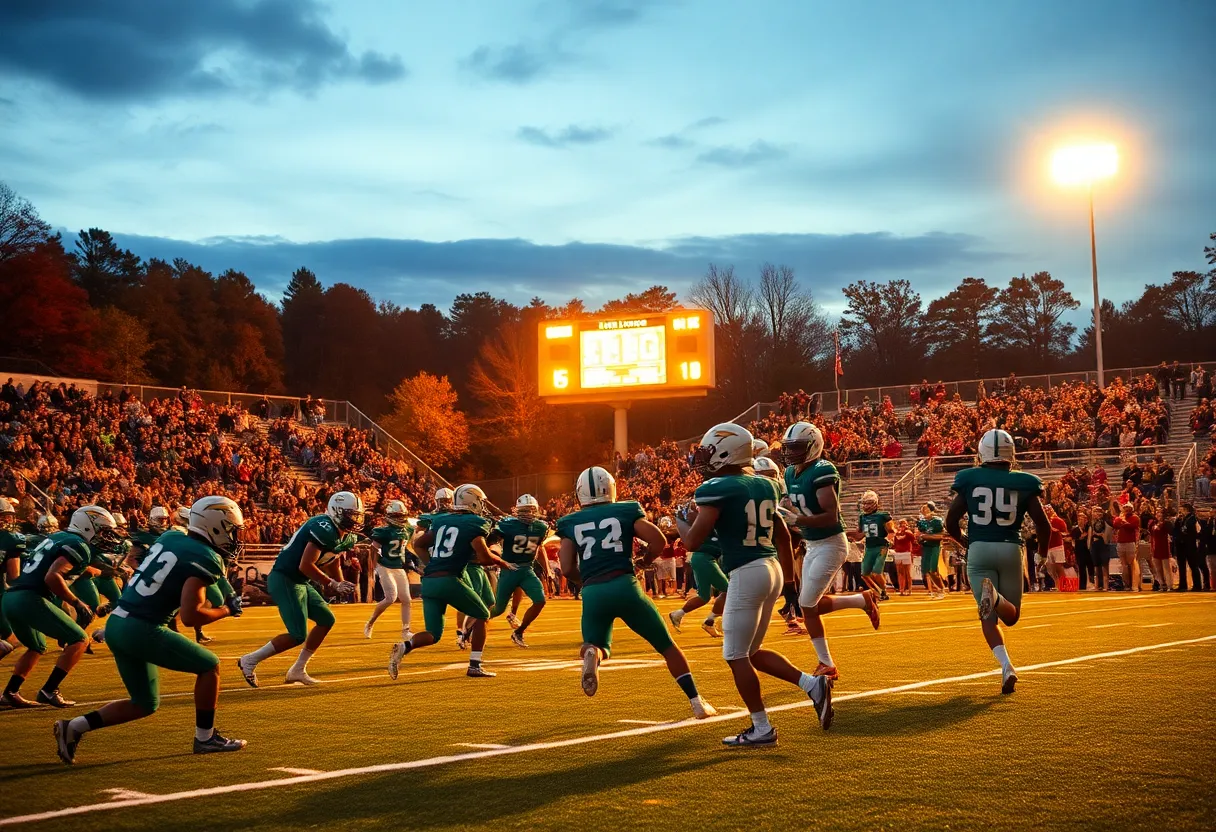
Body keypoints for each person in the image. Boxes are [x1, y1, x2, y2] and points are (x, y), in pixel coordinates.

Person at [52, 496, 248, 764]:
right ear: (215, 526)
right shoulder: (205, 557)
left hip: (119, 623)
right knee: (209, 665)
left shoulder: (170, 537)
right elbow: (191, 617)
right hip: (142, 627)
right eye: (231, 529)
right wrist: (226, 609)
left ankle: (73, 727)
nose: (234, 536)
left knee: (144, 703)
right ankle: (205, 737)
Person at [681, 424, 829, 747]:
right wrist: (790, 583)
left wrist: (682, 521)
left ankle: (761, 727)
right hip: (772, 567)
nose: (705, 460)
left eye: (709, 453)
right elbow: (784, 535)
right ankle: (812, 685)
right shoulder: (765, 485)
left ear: (726, 452)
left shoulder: (718, 487)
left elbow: (693, 541)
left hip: (747, 572)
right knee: (752, 652)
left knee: (735, 655)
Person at [562, 466, 717, 722]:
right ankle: (696, 702)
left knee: (595, 644)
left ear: (580, 493)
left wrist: (587, 581)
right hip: (625, 585)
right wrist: (644, 560)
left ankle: (594, 655)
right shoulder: (625, 510)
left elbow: (567, 567)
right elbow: (658, 541)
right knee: (667, 647)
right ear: (610, 488)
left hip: (593, 593)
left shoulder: (569, 522)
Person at [946, 429, 1050, 695]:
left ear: (982, 453)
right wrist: (1042, 553)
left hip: (979, 550)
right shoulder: (1025, 481)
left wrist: (966, 541)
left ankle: (1007, 666)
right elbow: (1043, 524)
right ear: (1010, 453)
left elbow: (951, 521)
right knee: (1011, 616)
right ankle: (1007, 669)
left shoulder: (970, 478)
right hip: (1010, 549)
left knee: (987, 618)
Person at [778, 422, 879, 682]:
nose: (791, 453)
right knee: (808, 605)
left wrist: (796, 520)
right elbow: (797, 507)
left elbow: (830, 515)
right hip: (812, 544)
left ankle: (827, 664)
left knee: (806, 604)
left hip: (831, 543)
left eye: (797, 448)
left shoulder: (823, 470)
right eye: (789, 448)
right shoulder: (790, 472)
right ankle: (862, 600)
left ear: (814, 446)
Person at [389, 485, 517, 679]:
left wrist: (430, 564)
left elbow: (419, 544)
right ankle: (475, 665)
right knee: (482, 613)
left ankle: (405, 646)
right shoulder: (474, 522)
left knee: (433, 634)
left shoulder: (441, 519)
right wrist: (501, 561)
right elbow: (483, 557)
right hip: (449, 579)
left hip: (430, 582)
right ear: (472, 501)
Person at [237, 492, 363, 687]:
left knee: (326, 619)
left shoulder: (345, 536)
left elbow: (333, 559)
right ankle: (249, 660)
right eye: (350, 514)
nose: (354, 519)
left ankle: (297, 669)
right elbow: (305, 565)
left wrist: (340, 583)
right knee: (297, 634)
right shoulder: (324, 526)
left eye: (356, 514)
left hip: (300, 581)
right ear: (337, 511)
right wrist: (331, 583)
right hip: (285, 578)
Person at [1, 506, 123, 708]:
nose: (105, 537)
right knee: (80, 640)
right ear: (87, 527)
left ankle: (10, 693)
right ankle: (49, 690)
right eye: (102, 531)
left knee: (37, 646)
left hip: (11, 597)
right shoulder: (79, 545)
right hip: (30, 598)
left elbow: (65, 569)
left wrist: (100, 572)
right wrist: (77, 601)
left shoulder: (59, 537)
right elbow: (52, 576)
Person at [489, 494, 550, 648]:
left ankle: (519, 632)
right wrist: (498, 559)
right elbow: (489, 542)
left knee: (540, 600)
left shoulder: (541, 527)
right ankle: (468, 629)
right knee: (497, 609)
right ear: (517, 511)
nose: (528, 514)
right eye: (524, 511)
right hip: (509, 569)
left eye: (531, 510)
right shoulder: (507, 524)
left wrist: (546, 569)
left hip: (526, 569)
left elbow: (537, 547)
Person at [363, 500, 414, 641]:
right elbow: (373, 550)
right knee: (391, 597)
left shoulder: (408, 530)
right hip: (385, 565)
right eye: (397, 516)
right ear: (390, 516)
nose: (400, 519)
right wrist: (372, 571)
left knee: (406, 600)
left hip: (398, 566)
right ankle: (370, 623)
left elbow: (406, 548)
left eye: (401, 515)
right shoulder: (383, 531)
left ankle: (406, 630)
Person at [0, 499, 29, 661]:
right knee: (12, 640)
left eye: (7, 517)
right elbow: (14, 576)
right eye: (2, 517)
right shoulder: (11, 539)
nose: (6, 521)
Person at [852, 490, 894, 600]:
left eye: (869, 503)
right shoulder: (862, 517)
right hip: (869, 547)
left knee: (876, 572)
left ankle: (883, 591)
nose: (866, 506)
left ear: (875, 503)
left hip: (881, 546)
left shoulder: (883, 516)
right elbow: (860, 535)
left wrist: (889, 540)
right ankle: (877, 591)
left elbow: (891, 531)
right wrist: (847, 535)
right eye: (865, 503)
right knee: (865, 574)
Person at [917, 502, 947, 599]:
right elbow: (920, 534)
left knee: (932, 570)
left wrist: (927, 536)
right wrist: (920, 538)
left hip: (934, 546)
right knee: (928, 571)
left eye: (925, 509)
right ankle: (939, 589)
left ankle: (941, 589)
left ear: (931, 509)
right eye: (923, 509)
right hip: (926, 547)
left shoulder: (937, 521)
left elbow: (942, 535)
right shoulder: (922, 522)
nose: (923, 511)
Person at [1111, 502, 1142, 592]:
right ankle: (1127, 584)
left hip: (1130, 542)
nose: (1126, 509)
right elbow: (1116, 525)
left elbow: (1132, 526)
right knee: (1124, 564)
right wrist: (1121, 520)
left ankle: (1134, 584)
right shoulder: (1120, 517)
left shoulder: (1135, 517)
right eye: (1125, 508)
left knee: (1131, 563)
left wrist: (1123, 521)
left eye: (1128, 508)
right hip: (1121, 542)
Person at [892, 520, 915, 596]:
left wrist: (912, 553)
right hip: (898, 553)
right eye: (901, 524)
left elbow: (913, 540)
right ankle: (901, 590)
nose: (902, 526)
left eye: (904, 524)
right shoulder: (897, 533)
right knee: (900, 573)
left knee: (908, 572)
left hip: (906, 553)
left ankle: (910, 590)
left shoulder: (908, 533)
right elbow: (894, 543)